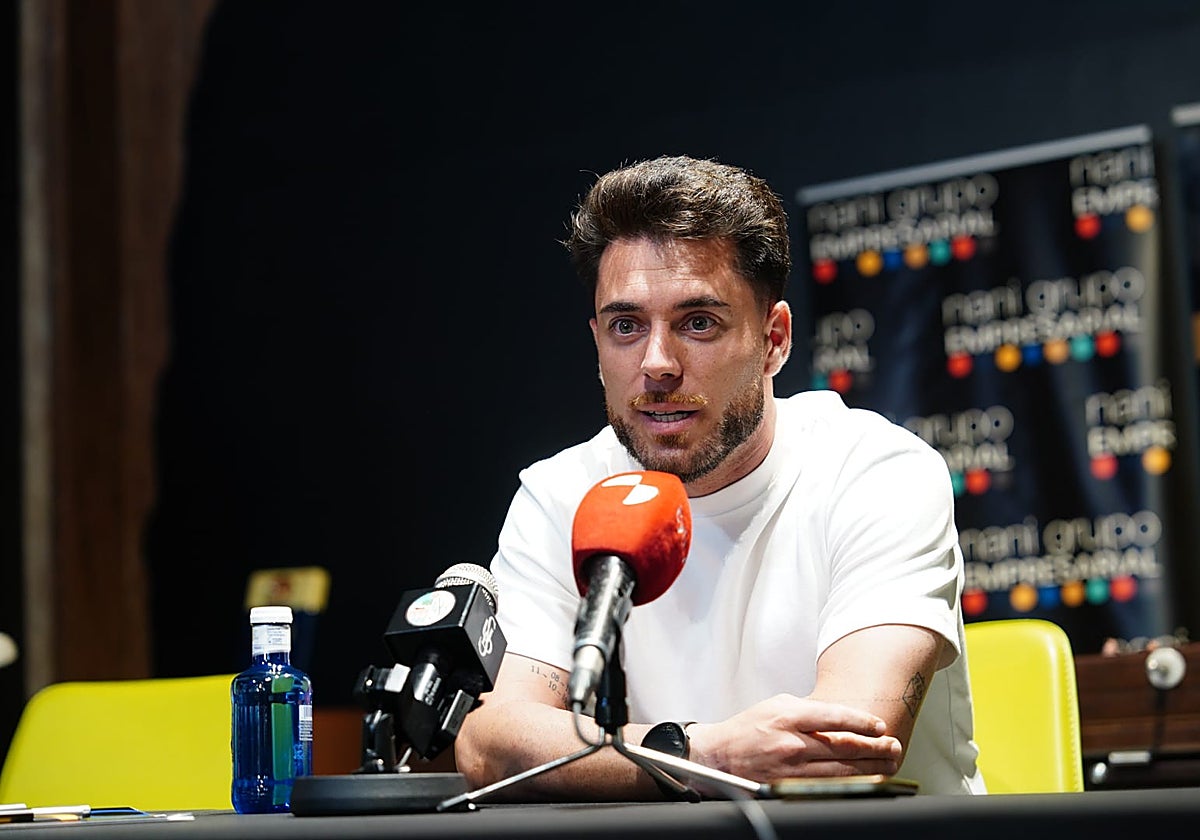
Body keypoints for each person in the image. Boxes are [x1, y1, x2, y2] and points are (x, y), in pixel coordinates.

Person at [454, 155, 985, 798]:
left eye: (697, 323)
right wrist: (708, 750)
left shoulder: (878, 472)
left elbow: (851, 749)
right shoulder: (560, 493)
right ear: (596, 342)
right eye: (627, 326)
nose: (657, 364)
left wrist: (621, 755)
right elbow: (491, 745)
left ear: (774, 339)